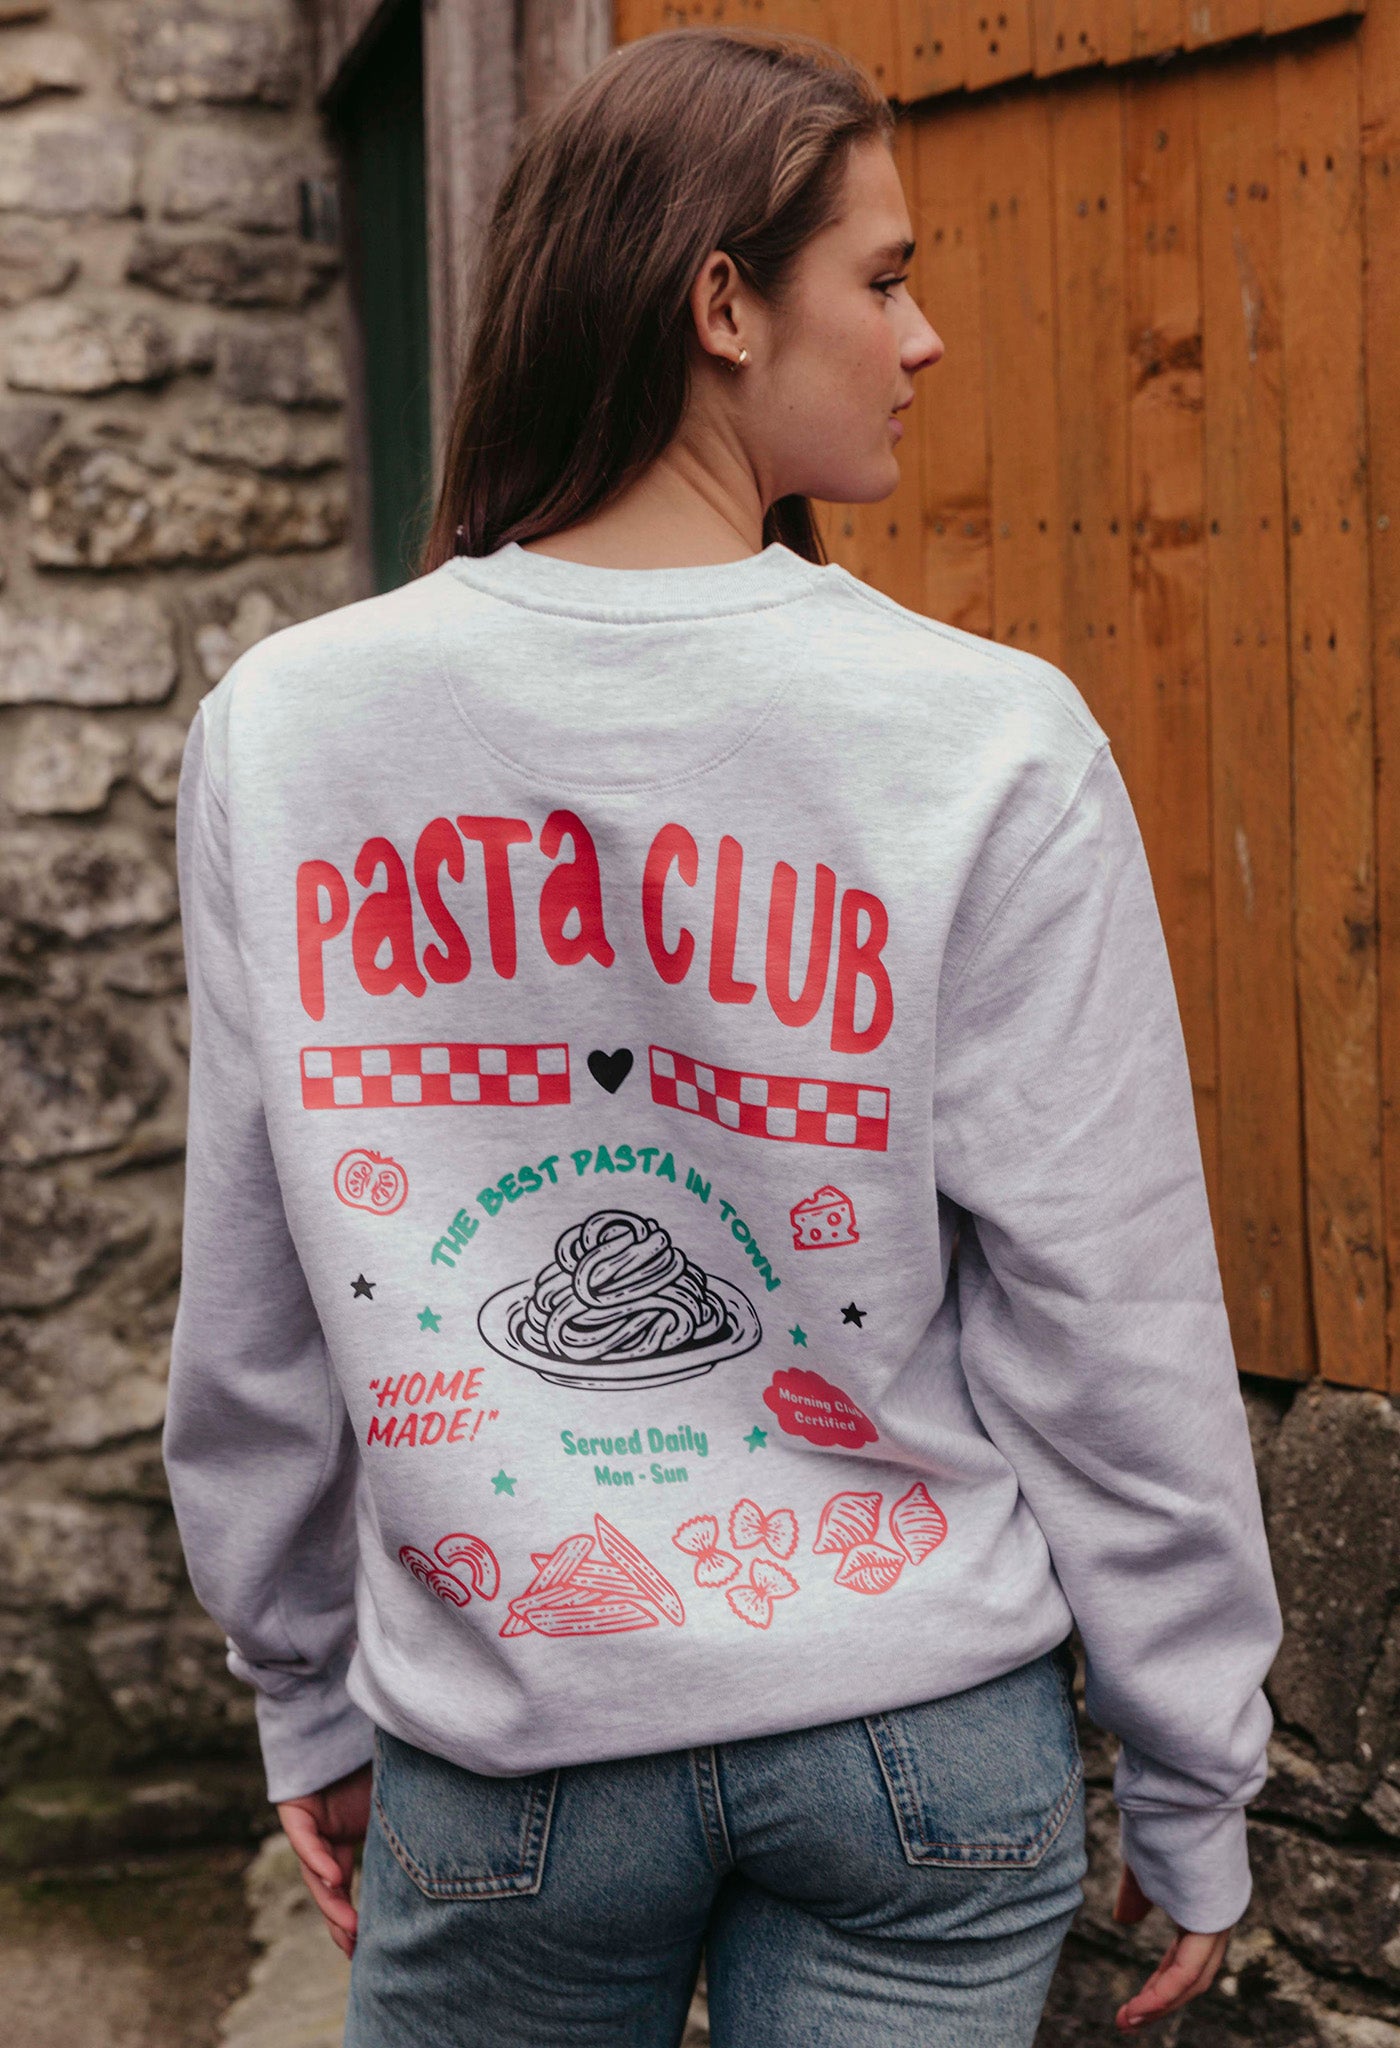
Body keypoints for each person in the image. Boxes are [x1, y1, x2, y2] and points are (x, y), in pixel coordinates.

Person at [166, 26, 1281, 2047]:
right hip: (919, 1738)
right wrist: (1196, 1757)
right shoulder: (985, 738)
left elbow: (254, 1299)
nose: (923, 336)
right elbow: (1107, 1307)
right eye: (883, 275)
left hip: (512, 1741)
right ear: (720, 303)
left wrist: (302, 1687)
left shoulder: (294, 726)